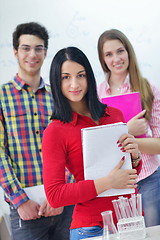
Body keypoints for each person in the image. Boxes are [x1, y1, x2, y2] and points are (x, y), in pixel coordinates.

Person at [42, 46, 142, 240]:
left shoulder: (115, 115)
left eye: (80, 75)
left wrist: (135, 157)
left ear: (89, 76)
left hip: (130, 220)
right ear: (56, 82)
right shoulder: (55, 132)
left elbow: (129, 174)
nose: (74, 84)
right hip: (91, 228)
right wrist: (108, 183)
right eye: (65, 77)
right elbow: (54, 195)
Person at [0, 22, 74, 240]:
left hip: (64, 207)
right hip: (26, 210)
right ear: (15, 51)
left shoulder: (59, 96)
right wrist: (19, 199)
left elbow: (72, 147)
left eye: (38, 48)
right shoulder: (2, 98)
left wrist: (61, 195)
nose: (32, 54)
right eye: (25, 48)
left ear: (45, 52)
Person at [97, 29, 160, 227]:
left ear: (128, 52)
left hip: (148, 179)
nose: (116, 58)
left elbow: (159, 144)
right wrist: (127, 130)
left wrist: (129, 139)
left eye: (120, 51)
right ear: (103, 59)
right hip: (115, 183)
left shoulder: (148, 88)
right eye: (109, 54)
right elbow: (96, 145)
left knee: (152, 234)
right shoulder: (96, 94)